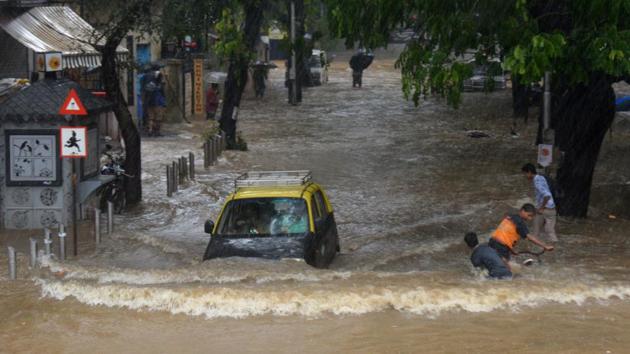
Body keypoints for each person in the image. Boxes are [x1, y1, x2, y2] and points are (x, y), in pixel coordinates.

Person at [489, 203, 554, 265]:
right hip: (501, 246)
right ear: (522, 211)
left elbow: (505, 234)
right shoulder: (520, 222)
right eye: (529, 215)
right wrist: (545, 246)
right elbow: (530, 237)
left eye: (532, 217)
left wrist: (511, 250)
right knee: (506, 269)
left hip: (492, 242)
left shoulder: (511, 217)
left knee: (495, 262)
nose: (530, 218)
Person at [522, 163, 558, 242]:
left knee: (536, 232)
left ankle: (535, 250)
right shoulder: (541, 177)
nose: (525, 176)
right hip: (552, 209)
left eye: (525, 173)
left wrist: (541, 208)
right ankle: (553, 248)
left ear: (529, 172)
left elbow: (547, 195)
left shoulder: (537, 181)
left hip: (544, 209)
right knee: (550, 232)